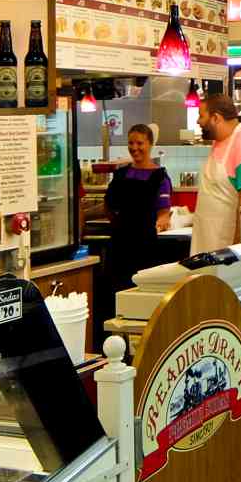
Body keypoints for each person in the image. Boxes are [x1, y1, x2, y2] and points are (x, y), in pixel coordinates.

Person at [97, 124, 175, 337]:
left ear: (150, 144)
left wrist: (161, 220)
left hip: (145, 246)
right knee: (116, 296)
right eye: (131, 143)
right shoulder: (121, 175)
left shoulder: (160, 177)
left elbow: (164, 212)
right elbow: (108, 206)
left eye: (140, 143)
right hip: (119, 246)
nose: (135, 147)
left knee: (141, 298)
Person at [193, 93, 241, 254]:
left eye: (201, 116)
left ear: (216, 118)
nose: (198, 121)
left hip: (227, 253)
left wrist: (236, 252)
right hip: (208, 246)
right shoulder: (219, 142)